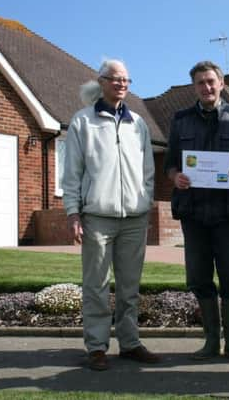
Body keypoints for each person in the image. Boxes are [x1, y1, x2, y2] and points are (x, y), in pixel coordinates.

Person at [62, 59, 160, 371]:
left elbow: (148, 170)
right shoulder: (82, 122)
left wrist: (143, 200)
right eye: (115, 79)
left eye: (126, 80)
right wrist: (73, 213)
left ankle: (130, 343)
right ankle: (97, 346)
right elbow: (72, 173)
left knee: (130, 287)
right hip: (97, 217)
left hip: (134, 217)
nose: (121, 84)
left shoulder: (138, 124)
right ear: (101, 81)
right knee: (96, 285)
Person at [164, 60, 229, 361]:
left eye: (211, 81)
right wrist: (175, 176)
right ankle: (210, 341)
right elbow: (169, 165)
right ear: (195, 87)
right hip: (194, 213)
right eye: (200, 83)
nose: (206, 87)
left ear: (221, 84)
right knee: (199, 277)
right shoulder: (180, 120)